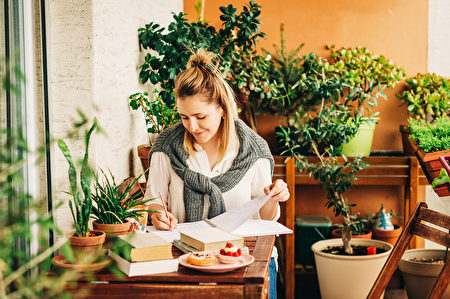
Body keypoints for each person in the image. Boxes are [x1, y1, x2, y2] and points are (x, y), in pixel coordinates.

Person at [143, 48, 289, 299]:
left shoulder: (253, 150)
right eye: (184, 117)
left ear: (222, 108)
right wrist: (157, 215)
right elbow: (153, 201)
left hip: (245, 261)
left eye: (200, 116)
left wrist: (273, 197)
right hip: (184, 262)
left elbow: (266, 219)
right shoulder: (166, 147)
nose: (192, 127)